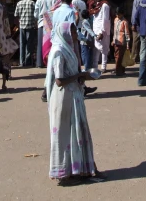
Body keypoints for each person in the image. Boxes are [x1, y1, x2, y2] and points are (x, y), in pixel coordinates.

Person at [45, 22, 99, 184]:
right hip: (63, 99)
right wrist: (78, 76)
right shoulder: (58, 52)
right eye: (74, 32)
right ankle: (64, 173)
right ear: (66, 33)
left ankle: (83, 169)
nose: (76, 35)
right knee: (65, 135)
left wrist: (81, 77)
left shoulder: (68, 49)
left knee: (79, 133)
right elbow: (60, 80)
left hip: (74, 96)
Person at [14, 0, 37, 67]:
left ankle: (21, 61)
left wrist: (18, 24)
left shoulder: (19, 3)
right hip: (30, 26)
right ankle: (27, 61)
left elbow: (16, 15)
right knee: (29, 44)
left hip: (22, 26)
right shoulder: (33, 3)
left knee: (22, 44)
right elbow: (36, 15)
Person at [35, 0, 55, 68]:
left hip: (41, 23)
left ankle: (39, 63)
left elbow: (36, 14)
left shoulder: (39, 1)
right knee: (50, 44)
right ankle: (50, 62)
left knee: (40, 43)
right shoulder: (54, 1)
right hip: (50, 24)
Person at [91, 0, 111, 72]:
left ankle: (103, 67)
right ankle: (95, 66)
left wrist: (102, 32)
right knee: (96, 49)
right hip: (95, 30)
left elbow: (105, 19)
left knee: (104, 49)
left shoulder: (105, 5)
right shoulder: (96, 6)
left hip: (102, 31)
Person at [111, 6, 131, 76]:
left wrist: (128, 43)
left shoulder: (125, 22)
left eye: (119, 14)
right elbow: (114, 31)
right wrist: (113, 40)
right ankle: (119, 70)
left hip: (122, 42)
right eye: (116, 14)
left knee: (120, 57)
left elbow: (127, 33)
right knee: (117, 56)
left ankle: (119, 70)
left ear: (122, 14)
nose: (117, 15)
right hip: (116, 41)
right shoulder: (115, 20)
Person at [131, 0, 146, 64]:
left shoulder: (136, 1)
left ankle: (134, 58)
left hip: (137, 23)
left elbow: (134, 13)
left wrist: (133, 23)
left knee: (136, 41)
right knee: (145, 40)